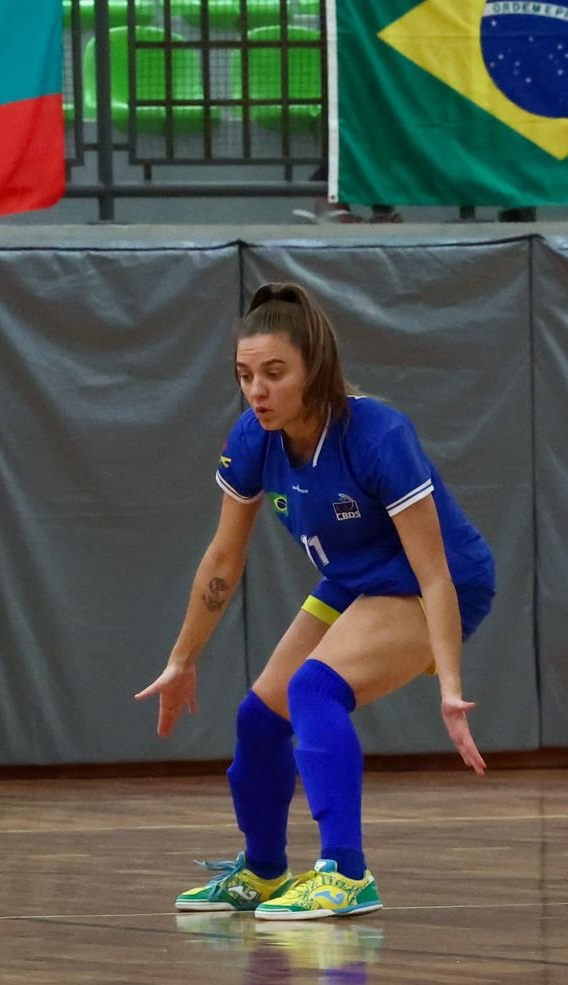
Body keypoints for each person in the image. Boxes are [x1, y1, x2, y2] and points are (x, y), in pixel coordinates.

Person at [136, 281, 494, 920]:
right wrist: (182, 657)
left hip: (431, 582)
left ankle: (347, 875)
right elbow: (223, 558)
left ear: (316, 369)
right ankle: (266, 873)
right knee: (259, 717)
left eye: (275, 373)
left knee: (314, 690)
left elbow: (435, 574)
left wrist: (448, 684)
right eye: (246, 375)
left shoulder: (377, 434)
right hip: (354, 579)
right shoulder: (252, 439)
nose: (257, 390)